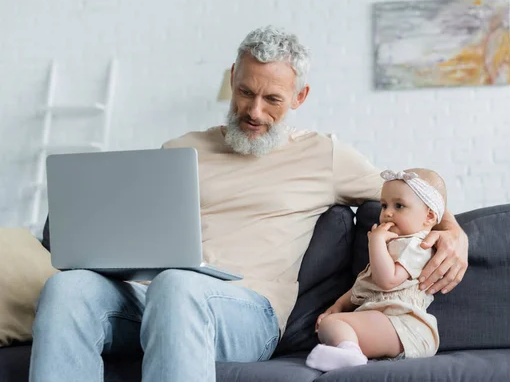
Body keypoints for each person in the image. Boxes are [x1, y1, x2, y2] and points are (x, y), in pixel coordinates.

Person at [29, 26, 468, 382]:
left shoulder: (324, 155)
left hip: (246, 312)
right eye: (244, 92)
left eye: (272, 99)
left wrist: (453, 230)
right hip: (157, 299)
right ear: (233, 79)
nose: (254, 111)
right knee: (67, 288)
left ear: (300, 98)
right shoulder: (181, 150)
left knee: (177, 285)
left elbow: (410, 191)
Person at [306, 168, 447, 372]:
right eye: (384, 205)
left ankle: (350, 354)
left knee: (334, 324)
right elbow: (366, 285)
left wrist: (376, 243)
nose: (387, 213)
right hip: (388, 323)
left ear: (429, 217)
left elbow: (387, 280)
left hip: (405, 326)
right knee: (329, 324)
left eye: (399, 206)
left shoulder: (419, 246)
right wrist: (339, 304)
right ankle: (348, 351)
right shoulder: (393, 246)